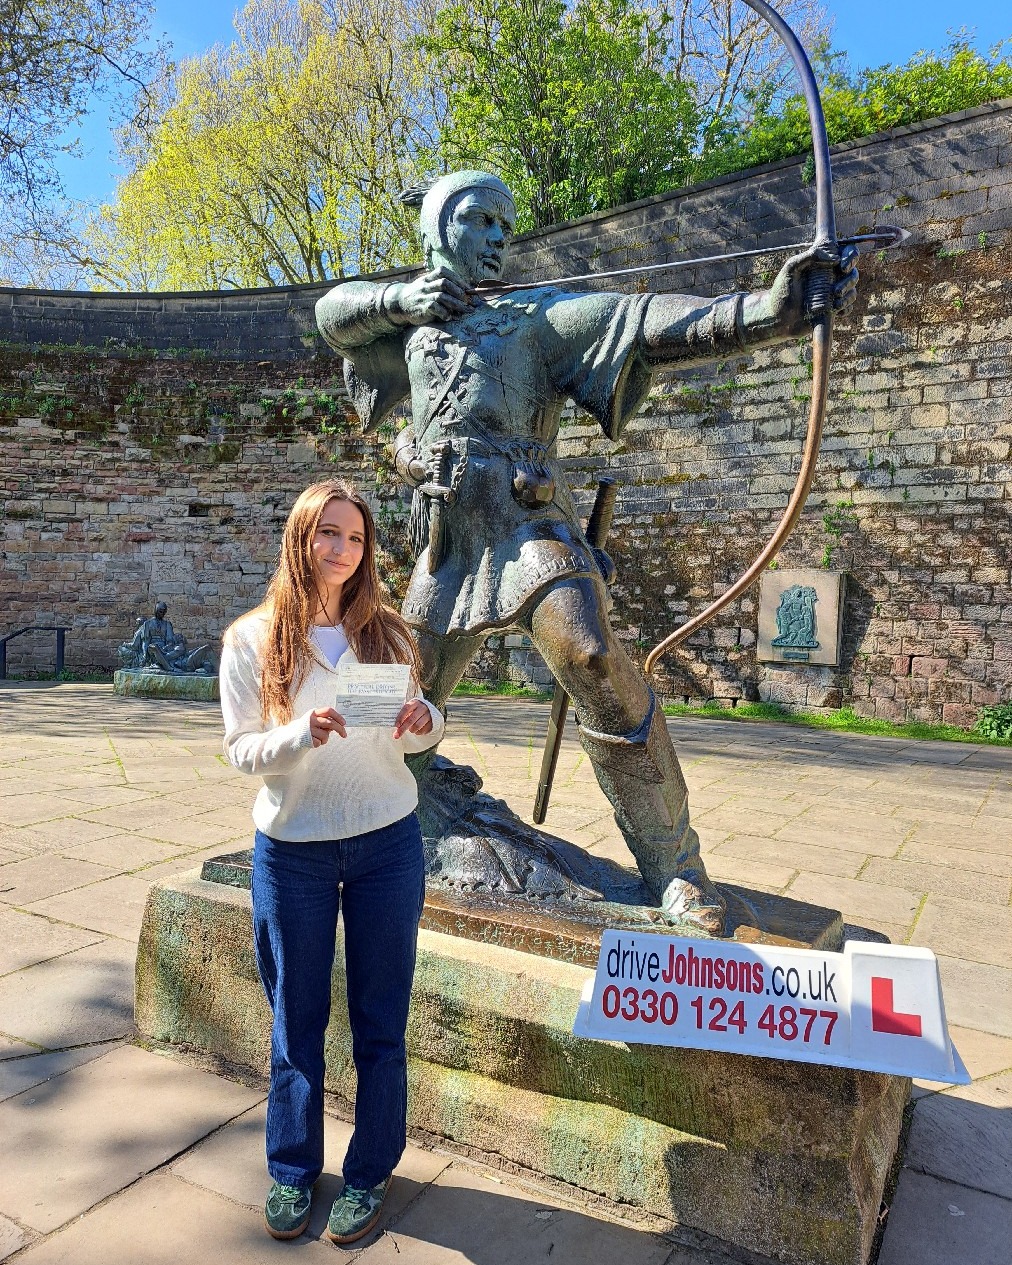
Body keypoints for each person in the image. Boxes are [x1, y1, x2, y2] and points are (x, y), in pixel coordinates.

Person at [315, 170, 858, 936]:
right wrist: (399, 302)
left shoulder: (539, 318)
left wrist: (769, 311)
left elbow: (649, 322)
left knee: (593, 656)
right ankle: (364, 816)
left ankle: (675, 869)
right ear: (439, 230)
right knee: (392, 689)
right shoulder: (410, 318)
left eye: (507, 223)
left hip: (526, 528)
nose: (501, 237)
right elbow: (330, 314)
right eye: (480, 220)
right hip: (447, 542)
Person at [219, 478, 443, 1244]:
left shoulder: (388, 633)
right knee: (297, 1020)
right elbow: (243, 748)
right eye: (329, 533)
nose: (342, 550)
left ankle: (370, 1171)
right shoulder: (253, 638)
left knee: (382, 1019)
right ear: (301, 537)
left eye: (354, 538)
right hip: (293, 853)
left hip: (386, 842)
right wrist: (302, 734)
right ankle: (291, 1170)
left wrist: (424, 719)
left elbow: (419, 727)